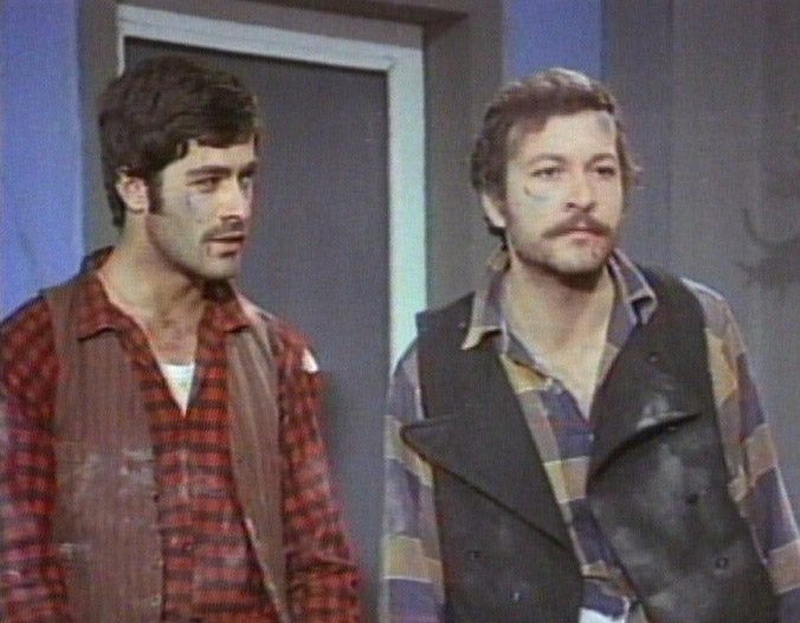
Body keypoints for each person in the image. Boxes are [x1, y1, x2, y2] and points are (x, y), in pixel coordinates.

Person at [380, 68, 800, 622]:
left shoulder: (696, 323)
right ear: (495, 202)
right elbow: (411, 589)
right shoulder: (433, 371)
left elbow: (773, 536)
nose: (582, 197)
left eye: (602, 171)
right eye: (549, 172)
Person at [0, 55, 360, 622]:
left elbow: (321, 564)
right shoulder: (36, 348)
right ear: (135, 189)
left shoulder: (276, 355)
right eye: (207, 182)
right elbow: (17, 575)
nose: (237, 208)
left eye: (245, 178)